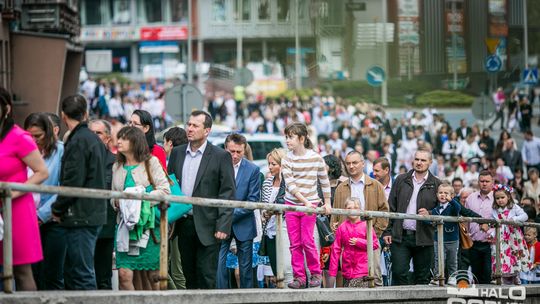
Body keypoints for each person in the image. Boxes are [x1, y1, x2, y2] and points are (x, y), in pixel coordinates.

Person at [167, 110, 235, 289]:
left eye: (195, 126)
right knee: (189, 276)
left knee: (206, 276)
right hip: (184, 224)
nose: (189, 129)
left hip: (210, 225)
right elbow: (170, 185)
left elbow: (227, 192)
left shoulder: (221, 156)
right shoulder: (177, 153)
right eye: (188, 124)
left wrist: (223, 225)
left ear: (207, 131)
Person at [49, 94, 107, 290]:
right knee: (80, 271)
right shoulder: (91, 139)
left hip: (81, 215)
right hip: (90, 212)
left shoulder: (79, 140)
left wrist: (57, 209)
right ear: (85, 114)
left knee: (81, 273)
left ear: (63, 116)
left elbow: (72, 182)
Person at [0, 91, 49, 291]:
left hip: (17, 209)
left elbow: (41, 172)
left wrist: (11, 193)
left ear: (6, 109)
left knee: (21, 271)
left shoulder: (20, 137)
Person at [112, 126, 170, 290]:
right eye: (119, 138)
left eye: (124, 138)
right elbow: (112, 195)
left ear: (135, 141)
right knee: (124, 275)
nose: (119, 141)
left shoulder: (151, 162)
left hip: (149, 228)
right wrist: (117, 202)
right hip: (125, 229)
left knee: (154, 276)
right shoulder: (117, 166)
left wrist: (140, 199)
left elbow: (165, 190)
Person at [281, 122, 331, 289]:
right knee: (295, 243)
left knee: (307, 240)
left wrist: (328, 203)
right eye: (286, 137)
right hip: (293, 205)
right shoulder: (287, 158)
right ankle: (299, 277)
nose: (287, 140)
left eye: (291, 137)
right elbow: (290, 184)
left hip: (311, 204)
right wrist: (305, 202)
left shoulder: (316, 158)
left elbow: (324, 182)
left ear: (302, 138)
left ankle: (315, 273)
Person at [383, 148, 441, 285]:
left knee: (422, 277)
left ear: (430, 162)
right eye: (417, 159)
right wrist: (387, 231)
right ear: (412, 160)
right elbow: (391, 206)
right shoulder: (401, 179)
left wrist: (431, 214)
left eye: (423, 160)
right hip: (400, 236)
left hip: (424, 237)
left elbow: (444, 209)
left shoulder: (437, 184)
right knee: (398, 273)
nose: (419, 163)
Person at [332, 151, 388, 286]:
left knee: (374, 277)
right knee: (348, 277)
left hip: (370, 238)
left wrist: (373, 233)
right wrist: (336, 229)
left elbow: (384, 212)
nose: (351, 166)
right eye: (348, 163)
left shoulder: (375, 185)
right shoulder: (341, 187)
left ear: (363, 164)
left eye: (355, 162)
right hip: (347, 240)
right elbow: (335, 214)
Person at [24, 113, 64, 290]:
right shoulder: (22, 151)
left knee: (52, 275)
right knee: (32, 274)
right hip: (26, 218)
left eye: (38, 136)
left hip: (53, 219)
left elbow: (64, 186)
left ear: (48, 133)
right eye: (29, 135)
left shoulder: (61, 150)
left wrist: (41, 215)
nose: (33, 140)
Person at [217, 133, 261, 289]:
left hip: (243, 224)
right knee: (219, 266)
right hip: (221, 223)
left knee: (246, 270)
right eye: (231, 151)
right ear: (225, 148)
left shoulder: (253, 169)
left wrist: (228, 216)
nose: (235, 155)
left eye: (239, 152)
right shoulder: (217, 165)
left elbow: (253, 201)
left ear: (244, 150)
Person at [88, 119, 117, 290]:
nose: (94, 137)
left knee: (103, 277)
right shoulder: (82, 159)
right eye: (91, 133)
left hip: (105, 228)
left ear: (107, 138)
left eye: (98, 133)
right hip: (83, 226)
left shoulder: (115, 162)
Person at [328, 198, 379, 288]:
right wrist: (332, 272)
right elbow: (336, 250)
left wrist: (359, 242)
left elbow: (375, 244)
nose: (353, 210)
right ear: (345, 210)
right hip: (347, 272)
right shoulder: (342, 227)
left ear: (360, 209)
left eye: (356, 207)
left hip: (363, 272)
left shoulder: (366, 225)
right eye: (349, 208)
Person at [488, 184, 529, 285]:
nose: (500, 200)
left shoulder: (514, 207)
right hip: (500, 236)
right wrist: (492, 234)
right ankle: (500, 276)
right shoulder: (494, 210)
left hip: (513, 236)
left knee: (514, 255)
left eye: (502, 197)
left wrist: (514, 219)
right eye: (497, 198)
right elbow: (493, 224)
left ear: (508, 197)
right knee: (499, 255)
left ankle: (516, 276)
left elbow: (525, 216)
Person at [422, 182, 461, 286]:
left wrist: (451, 201)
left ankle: (453, 277)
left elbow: (458, 208)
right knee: (438, 259)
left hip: (452, 238)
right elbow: (433, 223)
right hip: (438, 239)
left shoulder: (453, 207)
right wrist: (424, 219)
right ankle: (438, 276)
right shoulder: (435, 210)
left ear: (452, 196)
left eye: (446, 193)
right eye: (440, 193)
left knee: (452, 260)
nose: (443, 195)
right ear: (437, 195)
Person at [464, 170, 495, 284]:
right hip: (473, 243)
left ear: (493, 182)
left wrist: (490, 229)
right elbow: (466, 219)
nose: (484, 183)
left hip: (490, 244)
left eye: (487, 181)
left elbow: (502, 220)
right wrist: (466, 235)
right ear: (478, 182)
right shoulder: (470, 198)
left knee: (488, 275)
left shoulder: (497, 199)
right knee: (475, 276)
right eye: (482, 181)